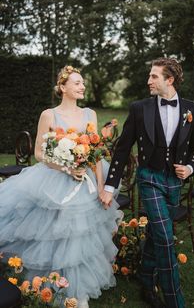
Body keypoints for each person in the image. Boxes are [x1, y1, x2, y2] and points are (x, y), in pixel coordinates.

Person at [0, 66, 121, 308]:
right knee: (54, 234)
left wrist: (100, 186)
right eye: (77, 83)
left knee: (81, 237)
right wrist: (65, 168)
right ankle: (51, 284)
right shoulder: (49, 115)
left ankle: (79, 290)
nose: (82, 86)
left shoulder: (90, 114)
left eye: (82, 82)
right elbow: (38, 153)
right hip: (55, 180)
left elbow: (95, 154)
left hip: (85, 183)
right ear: (62, 88)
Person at [100, 58, 194, 308]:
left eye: (154, 76)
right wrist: (109, 187)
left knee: (156, 235)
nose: (148, 81)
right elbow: (123, 149)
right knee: (166, 239)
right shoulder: (139, 108)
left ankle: (146, 280)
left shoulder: (193, 110)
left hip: (174, 182)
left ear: (170, 80)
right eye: (149, 76)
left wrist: (189, 168)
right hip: (149, 178)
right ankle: (174, 300)